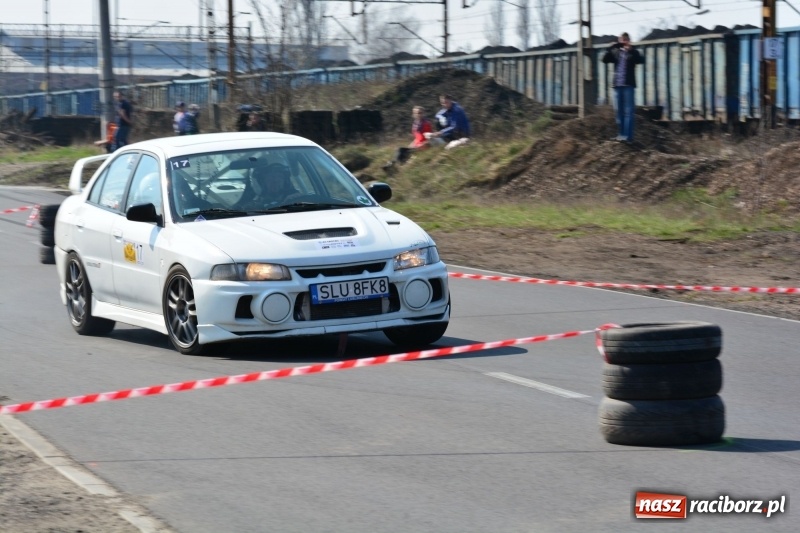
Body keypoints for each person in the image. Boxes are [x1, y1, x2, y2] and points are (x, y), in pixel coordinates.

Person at [602, 32, 644, 143]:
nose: (624, 41)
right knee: (618, 112)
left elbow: (641, 60)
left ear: (629, 40)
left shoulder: (633, 52)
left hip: (628, 86)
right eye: (622, 39)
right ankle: (621, 135)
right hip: (617, 86)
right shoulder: (616, 52)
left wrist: (630, 50)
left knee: (628, 112)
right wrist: (612, 47)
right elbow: (604, 60)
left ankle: (628, 137)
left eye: (626, 39)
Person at [383, 105, 433, 171]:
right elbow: (417, 138)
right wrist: (411, 145)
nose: (419, 115)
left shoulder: (426, 124)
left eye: (420, 113)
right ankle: (393, 165)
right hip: (416, 144)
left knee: (402, 151)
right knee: (402, 151)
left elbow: (429, 138)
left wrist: (420, 147)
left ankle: (394, 165)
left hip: (423, 146)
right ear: (413, 114)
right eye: (417, 113)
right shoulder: (415, 124)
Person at [235, 163, 300, 210]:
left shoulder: (295, 199)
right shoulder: (251, 205)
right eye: (271, 177)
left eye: (280, 177)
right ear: (261, 182)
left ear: (285, 181)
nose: (276, 180)